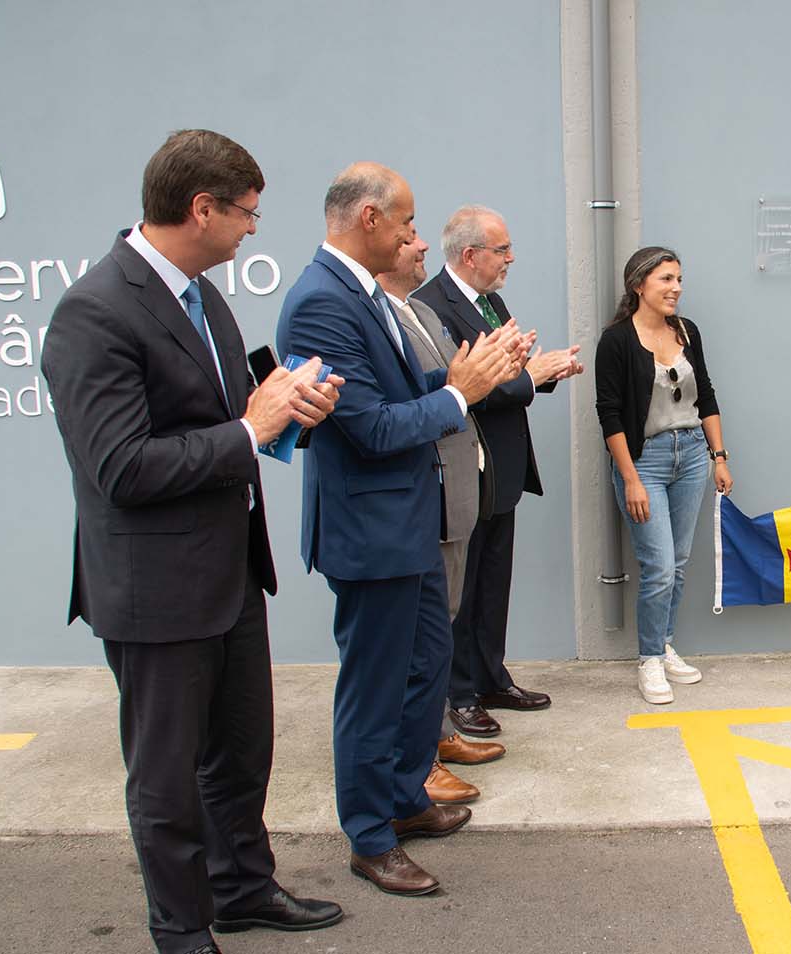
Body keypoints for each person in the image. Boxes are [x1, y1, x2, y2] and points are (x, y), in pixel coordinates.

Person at [41, 129, 343, 954]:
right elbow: (120, 467)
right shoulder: (94, 311)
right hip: (154, 590)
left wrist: (287, 407)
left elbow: (231, 414)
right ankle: (180, 927)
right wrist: (251, 429)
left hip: (229, 571)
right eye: (246, 213)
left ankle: (242, 888)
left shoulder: (203, 295)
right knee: (168, 780)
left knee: (243, 755)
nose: (253, 228)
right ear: (200, 207)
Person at [277, 162, 521, 896]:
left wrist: (461, 375)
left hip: (408, 523)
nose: (419, 235)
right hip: (370, 534)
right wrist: (460, 391)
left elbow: (403, 391)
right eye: (410, 222)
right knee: (374, 689)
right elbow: (373, 430)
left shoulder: (367, 297)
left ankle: (405, 800)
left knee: (423, 670)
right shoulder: (321, 303)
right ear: (371, 221)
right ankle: (369, 836)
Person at [413, 205, 583, 739]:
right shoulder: (429, 307)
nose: (511, 258)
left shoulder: (490, 301)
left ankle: (490, 677)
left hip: (502, 469)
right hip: (469, 472)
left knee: (493, 584)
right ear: (470, 255)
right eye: (502, 250)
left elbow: (506, 375)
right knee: (461, 591)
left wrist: (542, 373)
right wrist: (533, 377)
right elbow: (467, 390)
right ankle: (460, 694)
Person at [376, 237, 505, 808]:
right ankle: (417, 762)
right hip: (425, 493)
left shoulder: (419, 311)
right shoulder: (379, 316)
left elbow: (449, 384)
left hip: (456, 485)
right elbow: (412, 405)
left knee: (441, 622)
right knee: (417, 642)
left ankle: (435, 736)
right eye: (407, 235)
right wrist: (464, 385)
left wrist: (485, 371)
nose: (420, 243)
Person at [595, 246, 732, 704]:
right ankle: (649, 659)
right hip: (646, 461)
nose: (676, 288)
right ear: (639, 285)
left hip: (692, 454)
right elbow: (609, 415)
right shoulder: (615, 341)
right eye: (666, 280)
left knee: (678, 562)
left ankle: (665, 643)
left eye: (678, 279)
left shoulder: (687, 332)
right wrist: (630, 478)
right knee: (657, 567)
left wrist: (719, 455)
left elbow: (706, 395)